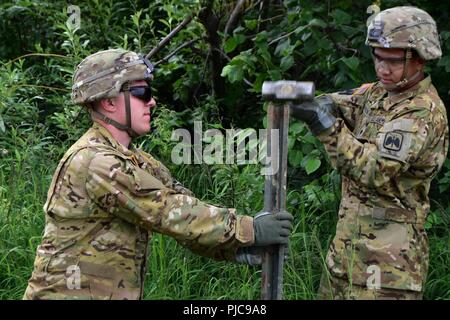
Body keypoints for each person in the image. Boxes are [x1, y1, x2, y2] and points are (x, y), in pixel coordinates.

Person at [23, 49, 293, 300]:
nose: (151, 101)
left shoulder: (136, 161)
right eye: (141, 91)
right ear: (108, 102)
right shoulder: (97, 162)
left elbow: (187, 211)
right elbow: (170, 213)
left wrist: (240, 247)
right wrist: (249, 229)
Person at [290, 6, 448, 299]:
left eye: (392, 61)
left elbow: (372, 171)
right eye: (377, 58)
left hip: (388, 269)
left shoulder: (421, 111)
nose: (382, 69)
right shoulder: (378, 94)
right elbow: (341, 102)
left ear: (419, 59)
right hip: (346, 257)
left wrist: (323, 124)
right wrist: (310, 101)